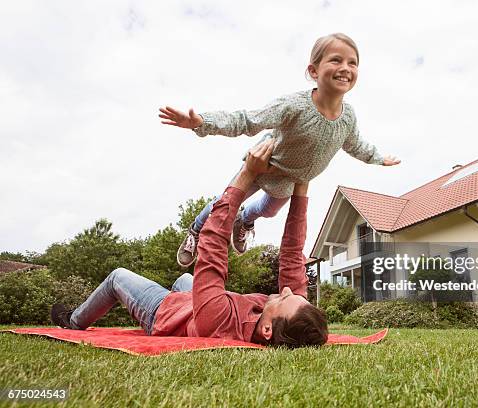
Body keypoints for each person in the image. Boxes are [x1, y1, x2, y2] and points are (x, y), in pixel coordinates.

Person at [51, 140, 328, 348]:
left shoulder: (218, 321)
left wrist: (246, 174)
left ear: (267, 329)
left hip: (164, 314)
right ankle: (188, 299)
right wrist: (302, 187)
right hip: (198, 307)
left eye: (285, 298)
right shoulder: (281, 316)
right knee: (185, 279)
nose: (288, 289)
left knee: (117, 278)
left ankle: (73, 321)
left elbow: (213, 245)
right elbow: (292, 252)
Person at [159, 32, 401, 267]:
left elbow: (356, 144)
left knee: (269, 211)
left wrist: (379, 158)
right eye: (336, 60)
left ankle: (245, 221)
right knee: (225, 204)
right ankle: (196, 230)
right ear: (313, 71)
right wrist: (202, 122)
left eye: (353, 63)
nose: (346, 68)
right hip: (263, 166)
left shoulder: (348, 117)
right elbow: (248, 120)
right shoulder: (294, 105)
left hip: (290, 181)